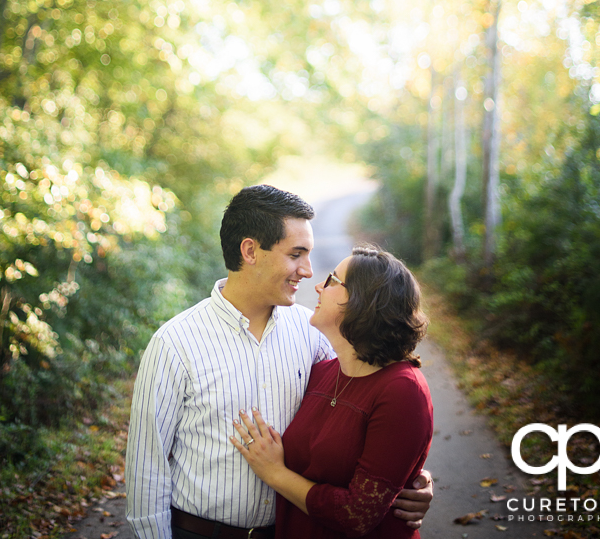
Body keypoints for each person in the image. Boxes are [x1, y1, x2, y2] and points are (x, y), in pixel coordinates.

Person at [126, 185, 433, 539]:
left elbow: (367, 414)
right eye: (296, 254)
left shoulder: (314, 334)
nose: (307, 271)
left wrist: (411, 480)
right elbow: (145, 470)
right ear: (250, 251)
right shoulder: (175, 343)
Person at [230, 246, 432, 539]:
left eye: (332, 281)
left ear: (364, 301)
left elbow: (358, 515)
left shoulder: (403, 390)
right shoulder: (322, 372)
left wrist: (274, 473)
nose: (318, 286)